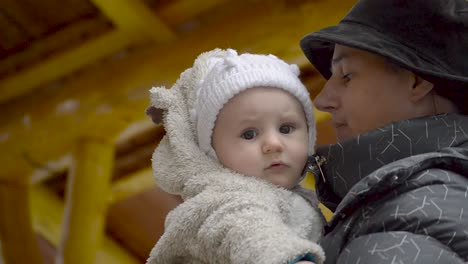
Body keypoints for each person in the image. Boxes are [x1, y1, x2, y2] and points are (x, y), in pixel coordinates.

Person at [299, 0, 468, 263]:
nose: (322, 100)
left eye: (346, 76)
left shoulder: (410, 213)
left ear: (417, 81)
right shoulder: (430, 199)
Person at [145, 48, 325, 264]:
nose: (274, 144)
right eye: (249, 134)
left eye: (286, 129)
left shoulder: (290, 196)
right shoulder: (225, 200)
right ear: (212, 152)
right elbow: (247, 233)